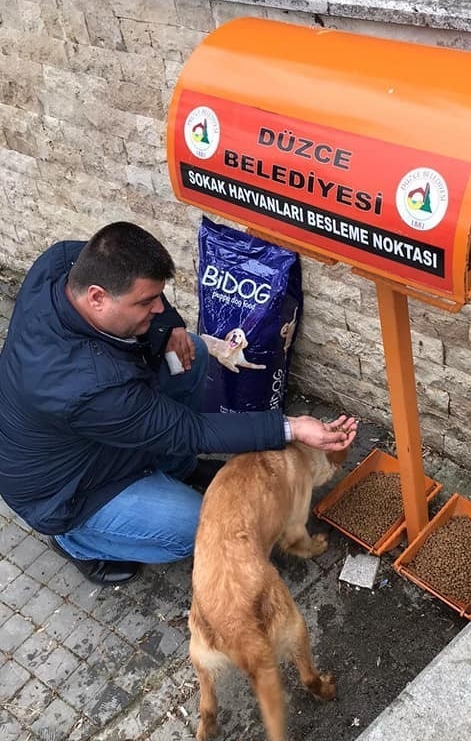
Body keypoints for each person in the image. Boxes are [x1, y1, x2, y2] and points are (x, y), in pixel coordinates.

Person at [0, 222, 357, 586]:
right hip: (67, 491)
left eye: (158, 297)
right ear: (97, 298)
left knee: (190, 350)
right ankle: (76, 541)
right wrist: (292, 427)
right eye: (145, 303)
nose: (158, 307)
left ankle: (176, 467)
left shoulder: (62, 262)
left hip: (86, 434)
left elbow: (151, 311)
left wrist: (169, 324)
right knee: (197, 529)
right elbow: (191, 429)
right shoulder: (89, 387)